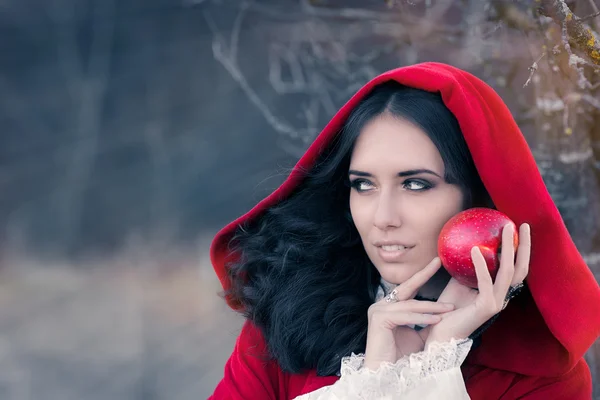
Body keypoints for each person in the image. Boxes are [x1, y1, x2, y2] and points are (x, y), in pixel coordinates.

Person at [208, 62, 600, 399]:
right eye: (363, 184)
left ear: (480, 196)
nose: (383, 217)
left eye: (415, 184)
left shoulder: (540, 377)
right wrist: (376, 375)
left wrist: (432, 362)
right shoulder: (285, 324)